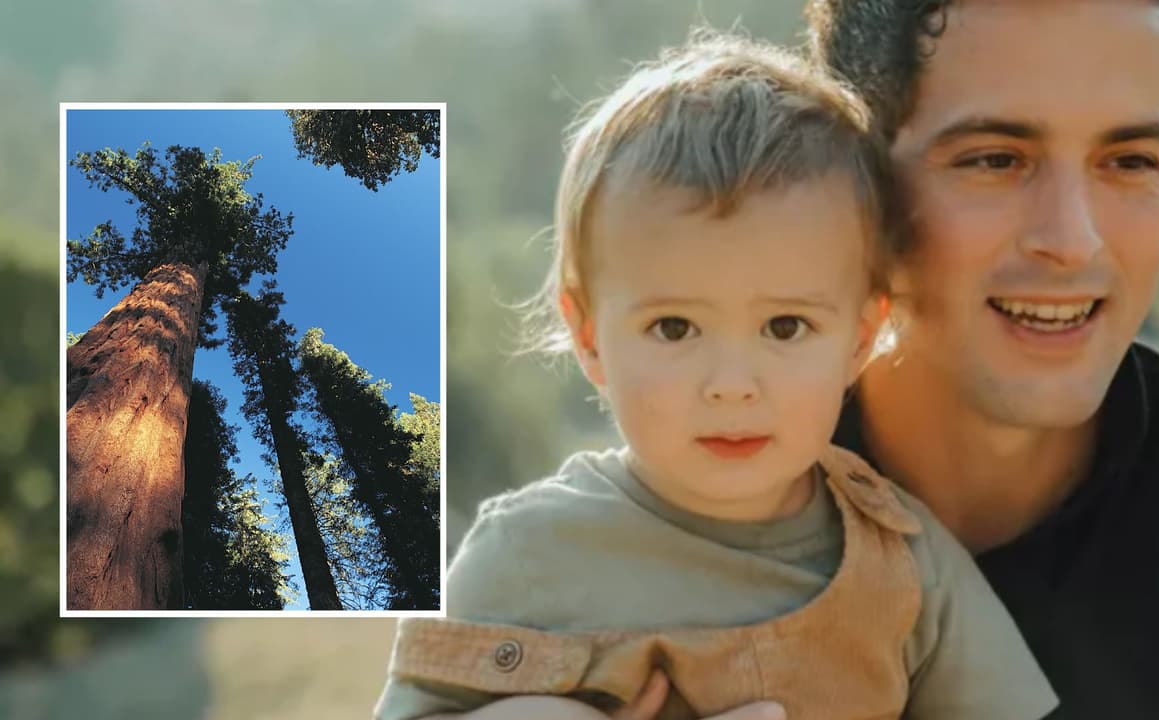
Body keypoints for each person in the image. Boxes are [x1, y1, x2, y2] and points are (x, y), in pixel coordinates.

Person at [373, 32, 1057, 720]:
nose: (732, 384)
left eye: (785, 327)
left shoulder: (906, 565)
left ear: (860, 337)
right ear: (590, 337)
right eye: (675, 328)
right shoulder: (526, 557)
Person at [807, 0, 1159, 717]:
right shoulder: (679, 535)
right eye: (996, 159)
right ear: (851, 173)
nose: (1074, 240)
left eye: (1129, 161)